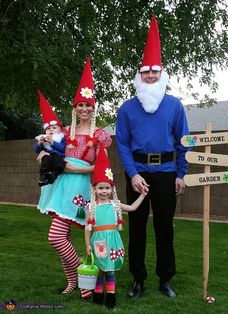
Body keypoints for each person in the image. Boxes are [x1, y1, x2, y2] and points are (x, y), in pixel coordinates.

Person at [116, 16, 190, 299]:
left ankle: (165, 279)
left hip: (167, 173)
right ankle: (138, 279)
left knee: (164, 228)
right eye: (146, 72)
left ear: (162, 74)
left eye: (154, 72)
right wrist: (133, 173)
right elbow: (121, 144)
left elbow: (183, 142)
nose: (150, 76)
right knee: (136, 228)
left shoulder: (174, 106)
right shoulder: (126, 108)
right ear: (139, 74)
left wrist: (181, 174)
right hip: (137, 173)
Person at [37, 57, 112, 298]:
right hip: (61, 184)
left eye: (88, 106)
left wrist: (78, 170)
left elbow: (103, 167)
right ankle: (74, 282)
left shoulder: (100, 135)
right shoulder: (65, 132)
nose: (84, 109)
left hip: (79, 185)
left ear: (94, 108)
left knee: (56, 236)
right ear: (75, 108)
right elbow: (46, 152)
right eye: (80, 105)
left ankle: (83, 269)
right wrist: (42, 156)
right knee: (64, 235)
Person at [85, 146, 147, 310]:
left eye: (107, 188)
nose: (104, 191)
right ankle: (98, 295)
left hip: (113, 240)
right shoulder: (91, 206)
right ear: (95, 189)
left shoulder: (115, 205)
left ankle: (111, 296)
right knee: (99, 269)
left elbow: (133, 208)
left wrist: (142, 195)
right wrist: (87, 245)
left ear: (112, 189)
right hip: (98, 241)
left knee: (110, 270)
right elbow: (87, 227)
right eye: (100, 188)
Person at [35, 90, 66, 186]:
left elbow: (63, 148)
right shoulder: (44, 138)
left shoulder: (61, 137)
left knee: (59, 163)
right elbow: (36, 150)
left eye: (54, 128)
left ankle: (54, 175)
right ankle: (43, 176)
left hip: (58, 156)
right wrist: (39, 144)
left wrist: (53, 142)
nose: (51, 130)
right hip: (48, 156)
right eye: (48, 128)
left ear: (60, 130)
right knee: (45, 159)